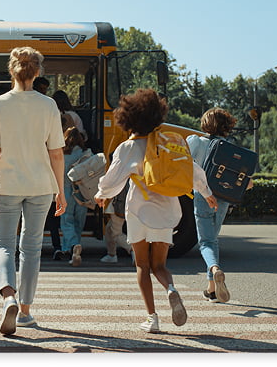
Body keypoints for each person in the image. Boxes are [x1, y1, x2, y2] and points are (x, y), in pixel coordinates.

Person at [94, 88, 218, 333]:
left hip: (139, 210)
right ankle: (171, 290)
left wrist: (101, 194)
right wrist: (207, 193)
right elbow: (192, 170)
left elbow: (112, 180)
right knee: (160, 266)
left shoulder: (128, 148)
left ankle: (152, 318)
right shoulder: (168, 142)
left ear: (129, 118)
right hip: (167, 210)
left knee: (142, 266)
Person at [0, 46, 67, 335]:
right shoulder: (48, 106)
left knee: (3, 244)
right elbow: (56, 153)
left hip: (6, 185)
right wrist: (61, 191)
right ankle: (26, 311)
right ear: (38, 72)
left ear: (12, 69)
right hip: (41, 185)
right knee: (31, 249)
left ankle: (9, 297)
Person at [187, 107, 253, 303]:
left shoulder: (195, 141)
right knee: (213, 240)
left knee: (206, 242)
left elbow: (186, 167)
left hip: (202, 196)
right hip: (223, 197)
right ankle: (212, 289)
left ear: (205, 123)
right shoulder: (231, 148)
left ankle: (215, 270)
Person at [59, 126, 89, 267]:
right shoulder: (86, 155)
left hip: (66, 191)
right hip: (83, 192)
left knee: (67, 221)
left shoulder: (62, 156)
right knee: (78, 222)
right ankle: (73, 249)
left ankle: (72, 245)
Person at [100, 187, 133, 264]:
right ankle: (111, 255)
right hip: (120, 202)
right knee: (109, 229)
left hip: (118, 204)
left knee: (116, 233)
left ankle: (133, 250)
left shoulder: (118, 174)